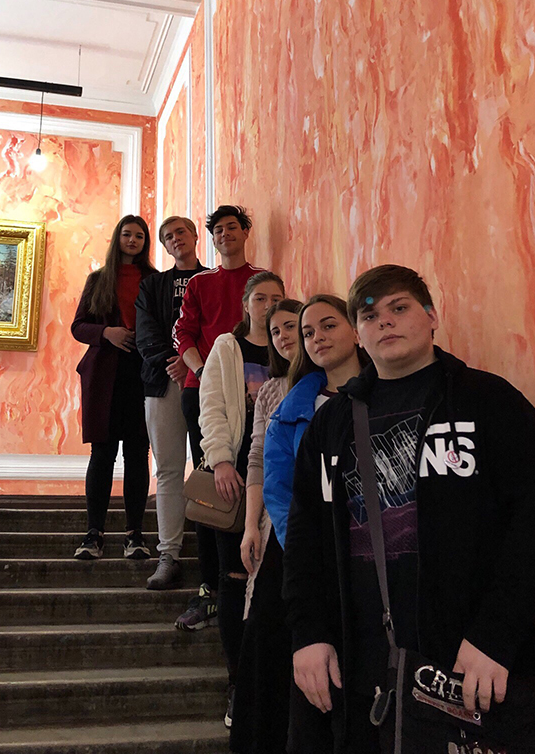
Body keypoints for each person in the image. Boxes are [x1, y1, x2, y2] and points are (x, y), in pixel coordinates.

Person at [283, 264, 535, 754]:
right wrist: (308, 633)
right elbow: (304, 536)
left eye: (399, 308)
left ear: (432, 316)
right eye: (370, 316)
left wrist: (495, 634)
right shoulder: (330, 425)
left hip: (467, 666)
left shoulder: (488, 402)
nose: (385, 322)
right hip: (357, 673)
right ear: (359, 333)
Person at [261, 294, 366, 754]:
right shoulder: (290, 410)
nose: (317, 337)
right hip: (316, 564)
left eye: (328, 325)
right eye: (308, 332)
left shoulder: (391, 393)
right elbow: (282, 493)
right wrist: (303, 551)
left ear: (355, 330)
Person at [199, 271, 286, 730]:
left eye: (277, 298)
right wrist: (219, 461)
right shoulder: (227, 348)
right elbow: (211, 406)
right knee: (235, 578)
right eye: (261, 298)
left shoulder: (292, 349)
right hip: (233, 474)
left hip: (281, 479)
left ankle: (267, 681)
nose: (268, 305)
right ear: (247, 304)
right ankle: (238, 682)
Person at [172, 204, 263, 632]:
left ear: (245, 232)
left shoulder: (261, 282)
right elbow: (184, 334)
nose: (224, 235)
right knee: (212, 490)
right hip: (203, 395)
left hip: (257, 396)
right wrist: (207, 371)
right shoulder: (200, 283)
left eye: (232, 227)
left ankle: (250, 579)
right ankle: (210, 588)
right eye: (218, 230)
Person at [231, 297, 302, 754]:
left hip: (321, 523)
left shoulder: (340, 382)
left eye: (291, 326)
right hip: (274, 522)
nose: (283, 336)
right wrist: (251, 526)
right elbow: (256, 459)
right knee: (265, 632)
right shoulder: (271, 390)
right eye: (275, 331)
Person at [70, 215, 157, 561]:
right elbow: (78, 326)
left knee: (137, 453)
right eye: (127, 234)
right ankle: (94, 534)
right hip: (104, 375)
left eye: (139, 236)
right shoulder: (98, 279)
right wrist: (107, 333)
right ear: (117, 238)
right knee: (102, 454)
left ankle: (135, 534)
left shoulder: (154, 280)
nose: (132, 240)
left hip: (142, 373)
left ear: (145, 242)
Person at [135, 215, 206, 589]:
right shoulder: (152, 286)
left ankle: (215, 552)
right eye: (167, 236)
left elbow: (221, 328)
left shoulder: (211, 279)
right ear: (163, 246)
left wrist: (192, 362)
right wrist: (175, 362)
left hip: (207, 382)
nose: (175, 239)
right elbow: (144, 332)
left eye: (181, 232)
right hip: (163, 383)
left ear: (195, 236)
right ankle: (169, 554)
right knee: (168, 470)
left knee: (213, 464)